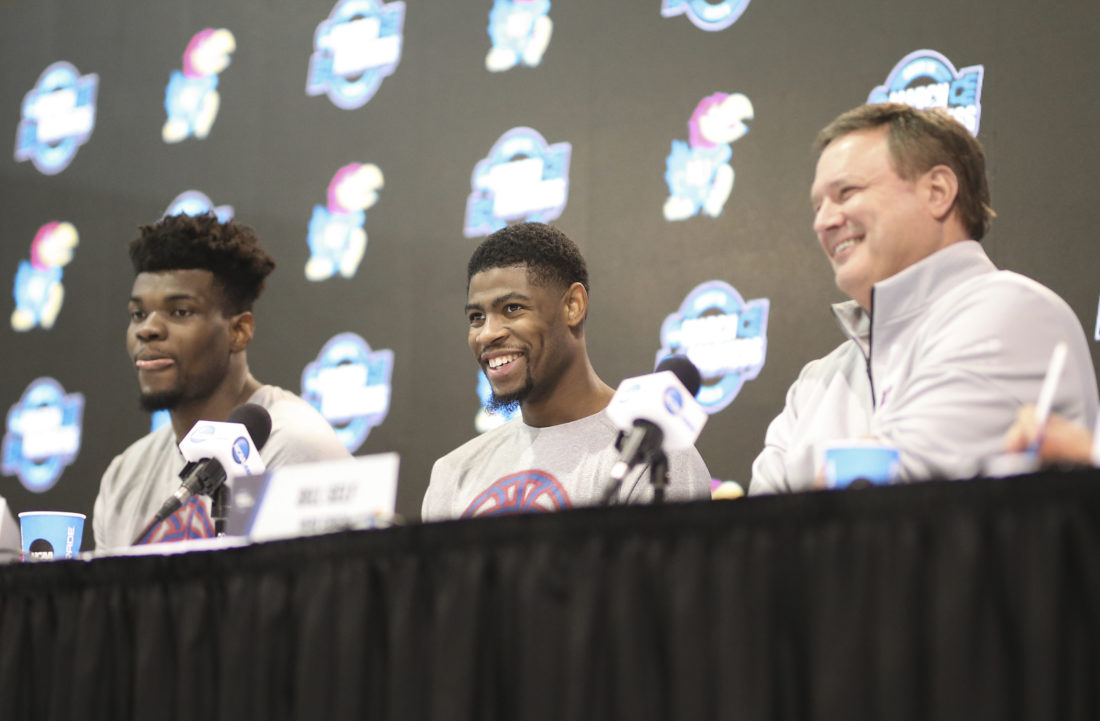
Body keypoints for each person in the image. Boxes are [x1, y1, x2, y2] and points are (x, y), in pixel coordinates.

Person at [750, 103, 1098, 494]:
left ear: (937, 192)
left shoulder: (1013, 311)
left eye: (846, 193)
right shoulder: (816, 382)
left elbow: (905, 492)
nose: (823, 222)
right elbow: (757, 521)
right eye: (818, 206)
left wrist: (807, 485)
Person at [94, 213, 351, 550]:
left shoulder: (295, 447)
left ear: (239, 331)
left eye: (180, 311)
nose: (147, 329)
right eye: (138, 314)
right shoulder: (124, 474)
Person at [422, 222, 712, 520]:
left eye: (512, 308)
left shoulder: (655, 456)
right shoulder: (453, 473)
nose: (486, 334)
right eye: (476, 317)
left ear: (573, 305)